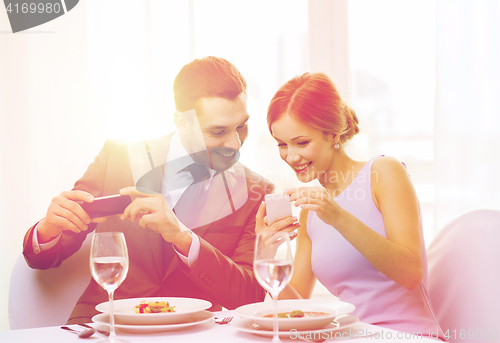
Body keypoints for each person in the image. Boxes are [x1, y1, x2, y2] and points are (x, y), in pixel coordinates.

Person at [22, 56, 280, 324]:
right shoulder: (117, 158)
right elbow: (42, 258)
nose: (235, 144)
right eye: (217, 132)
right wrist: (49, 229)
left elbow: (248, 295)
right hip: (105, 329)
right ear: (182, 123)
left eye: (242, 126)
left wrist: (182, 237)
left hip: (194, 334)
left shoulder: (256, 190)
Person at [256, 72, 446, 340]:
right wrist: (264, 254)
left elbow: (411, 273)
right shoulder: (310, 210)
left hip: (407, 335)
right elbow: (295, 307)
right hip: (350, 336)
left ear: (332, 134)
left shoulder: (383, 172)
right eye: (282, 144)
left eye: (302, 142)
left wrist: (337, 216)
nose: (291, 156)